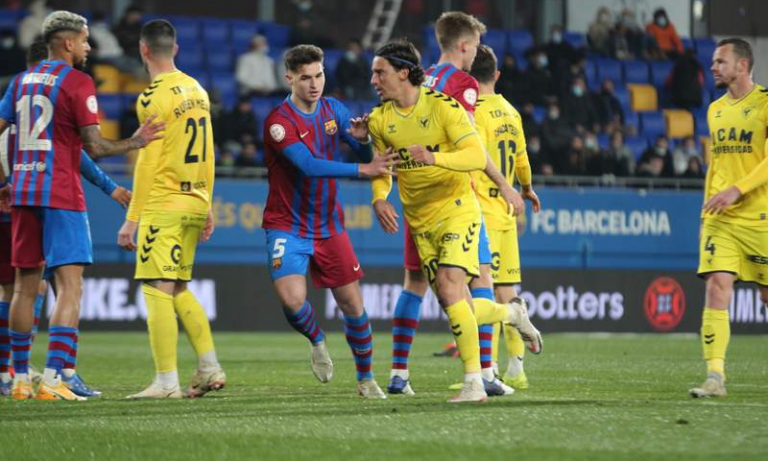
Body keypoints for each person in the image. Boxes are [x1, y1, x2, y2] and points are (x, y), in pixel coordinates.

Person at [0, 10, 163, 401]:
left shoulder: (20, 81)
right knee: (70, 287)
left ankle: (18, 379)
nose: (89, 47)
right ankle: (53, 378)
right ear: (69, 42)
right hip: (59, 192)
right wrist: (136, 141)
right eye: (86, 40)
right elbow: (95, 146)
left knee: (24, 288)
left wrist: (6, 180)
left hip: (23, 193)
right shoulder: (77, 81)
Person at [369, 39, 541, 403]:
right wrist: (380, 197)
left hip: (458, 208)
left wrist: (434, 158)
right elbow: (382, 168)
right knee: (455, 302)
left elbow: (475, 155)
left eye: (380, 72)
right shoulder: (379, 119)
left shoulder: (444, 106)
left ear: (403, 73)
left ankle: (474, 383)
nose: (373, 80)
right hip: (420, 221)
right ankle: (511, 313)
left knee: (450, 288)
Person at [261, 44, 396, 399]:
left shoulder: (334, 109)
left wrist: (362, 143)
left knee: (353, 305)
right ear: (289, 79)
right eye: (306, 78)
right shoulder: (278, 122)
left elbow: (363, 150)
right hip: (286, 224)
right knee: (293, 301)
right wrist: (363, 168)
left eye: (319, 75)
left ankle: (366, 379)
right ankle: (317, 339)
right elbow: (308, 165)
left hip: (328, 225)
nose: (314, 84)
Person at [117, 19, 223, 400]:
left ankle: (166, 383)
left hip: (164, 203)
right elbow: (209, 153)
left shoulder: (151, 97)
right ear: (174, 49)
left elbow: (147, 161)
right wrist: (207, 202)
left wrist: (132, 219)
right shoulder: (198, 89)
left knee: (155, 288)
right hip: (194, 200)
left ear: (144, 50)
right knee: (177, 287)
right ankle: (209, 366)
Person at [690, 38, 768, 398]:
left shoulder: (765, 103)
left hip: (760, 217)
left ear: (742, 65)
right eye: (713, 62)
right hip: (721, 218)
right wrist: (705, 213)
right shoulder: (715, 109)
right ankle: (715, 377)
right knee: (717, 285)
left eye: (721, 61)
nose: (713, 67)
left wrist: (738, 189)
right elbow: (716, 165)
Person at [469, 44, 542, 389]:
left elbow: (476, 158)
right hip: (507, 213)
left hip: (482, 211)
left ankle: (489, 371)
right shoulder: (512, 112)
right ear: (496, 75)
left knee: (483, 292)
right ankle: (517, 369)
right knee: (507, 290)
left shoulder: (472, 112)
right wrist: (526, 188)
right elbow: (523, 159)